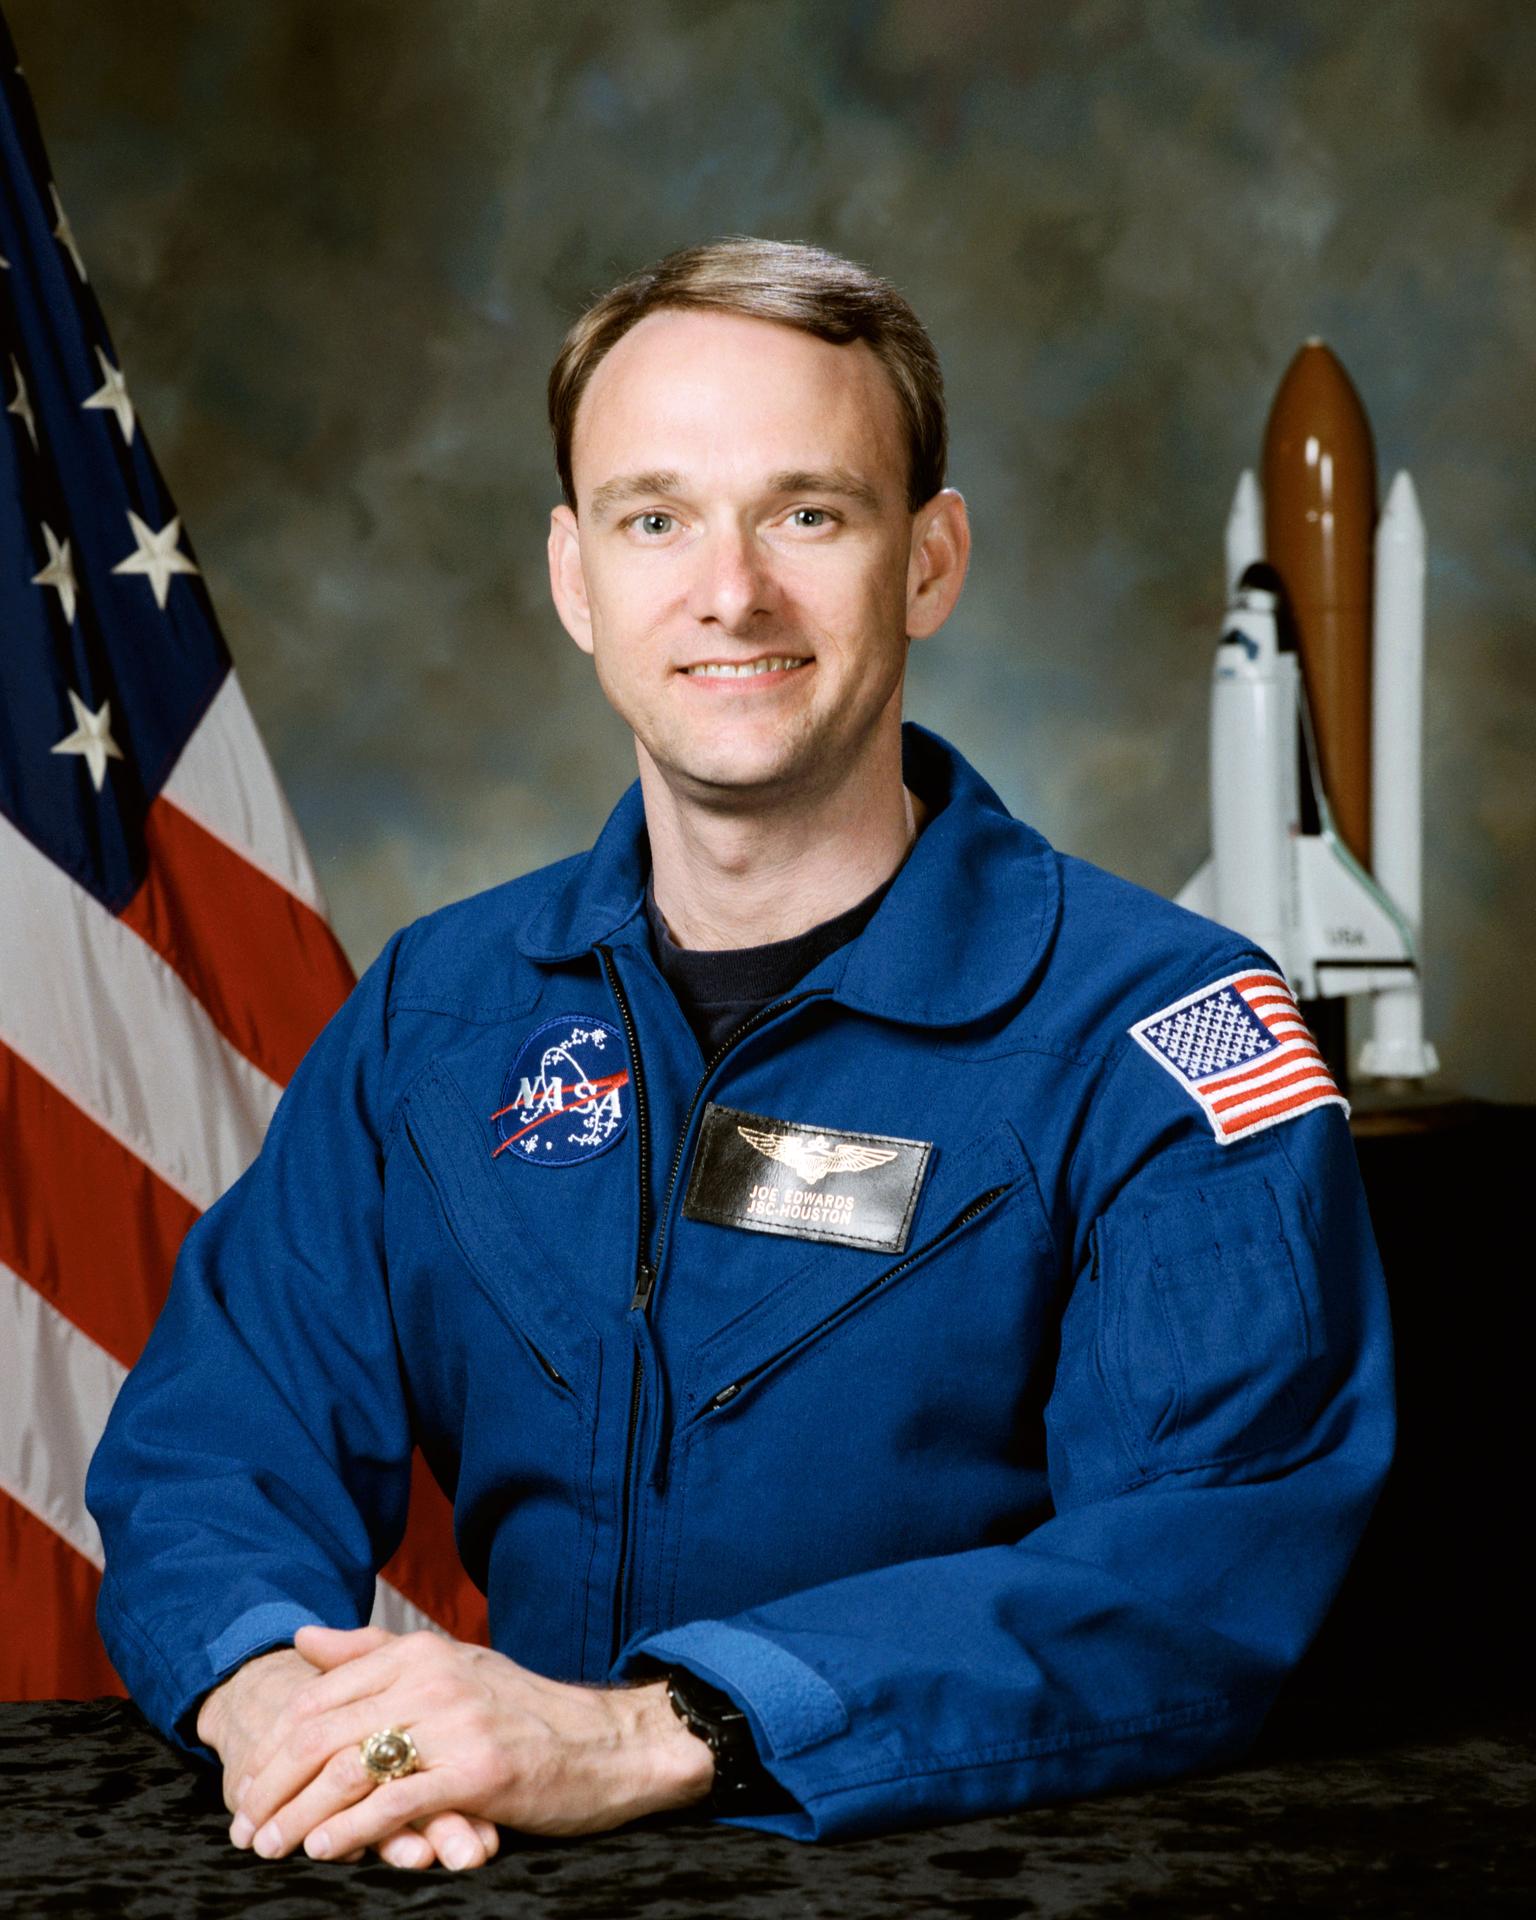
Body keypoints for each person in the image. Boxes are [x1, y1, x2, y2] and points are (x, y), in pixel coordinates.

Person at [86, 237, 1395, 1870]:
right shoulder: (446, 1013)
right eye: (655, 519)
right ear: (576, 578)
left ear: (929, 561)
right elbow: (213, 1442)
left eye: (808, 513)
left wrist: (662, 1727)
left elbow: (1197, 1565)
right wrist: (269, 1691)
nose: (730, 592)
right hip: (498, 1870)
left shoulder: (1157, 1037)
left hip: (967, 1875)